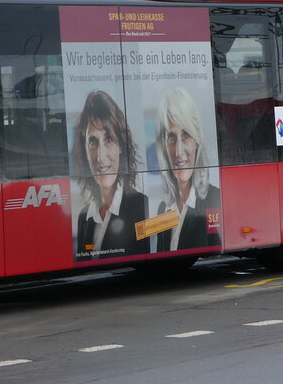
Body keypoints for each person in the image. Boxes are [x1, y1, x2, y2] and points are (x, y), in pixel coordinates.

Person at [71, 90, 148, 258]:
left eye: (108, 139)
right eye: (92, 142)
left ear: (120, 145)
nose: (100, 156)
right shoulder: (84, 217)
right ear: (85, 152)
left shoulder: (141, 206)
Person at [154, 87, 221, 251]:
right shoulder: (163, 209)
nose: (178, 151)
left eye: (185, 135)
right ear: (163, 146)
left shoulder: (215, 198)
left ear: (197, 140)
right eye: (171, 137)